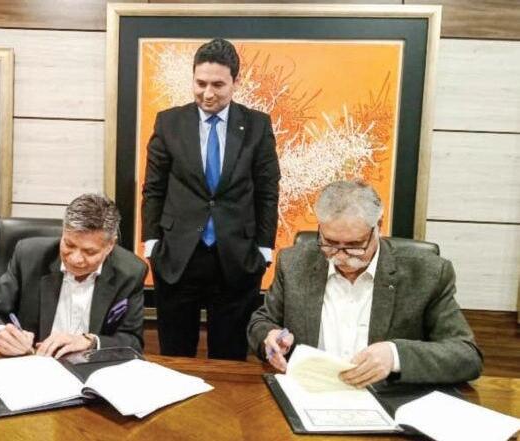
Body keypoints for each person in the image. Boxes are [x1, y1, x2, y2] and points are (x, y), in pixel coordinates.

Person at [248, 180, 483, 386]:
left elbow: (466, 355)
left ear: (378, 226)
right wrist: (270, 337)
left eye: (354, 245)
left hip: (385, 398)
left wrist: (395, 355)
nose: (341, 255)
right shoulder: (294, 263)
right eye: (330, 243)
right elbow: (261, 321)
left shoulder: (426, 273)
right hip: (309, 391)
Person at [142, 38, 280, 360]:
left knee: (230, 356)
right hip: (178, 256)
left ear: (235, 82)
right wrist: (152, 243)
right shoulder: (169, 122)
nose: (207, 93)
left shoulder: (257, 125)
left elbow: (267, 190)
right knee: (175, 357)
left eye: (218, 84)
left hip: (236, 257)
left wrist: (263, 249)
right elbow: (154, 188)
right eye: (200, 83)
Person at [0, 194, 147, 358]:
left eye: (89, 252)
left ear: (110, 245)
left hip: (91, 368)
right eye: (69, 245)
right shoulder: (28, 256)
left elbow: (132, 341)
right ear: (63, 232)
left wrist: (90, 342)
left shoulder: (131, 271)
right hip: (32, 362)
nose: (75, 259)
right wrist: (0, 334)